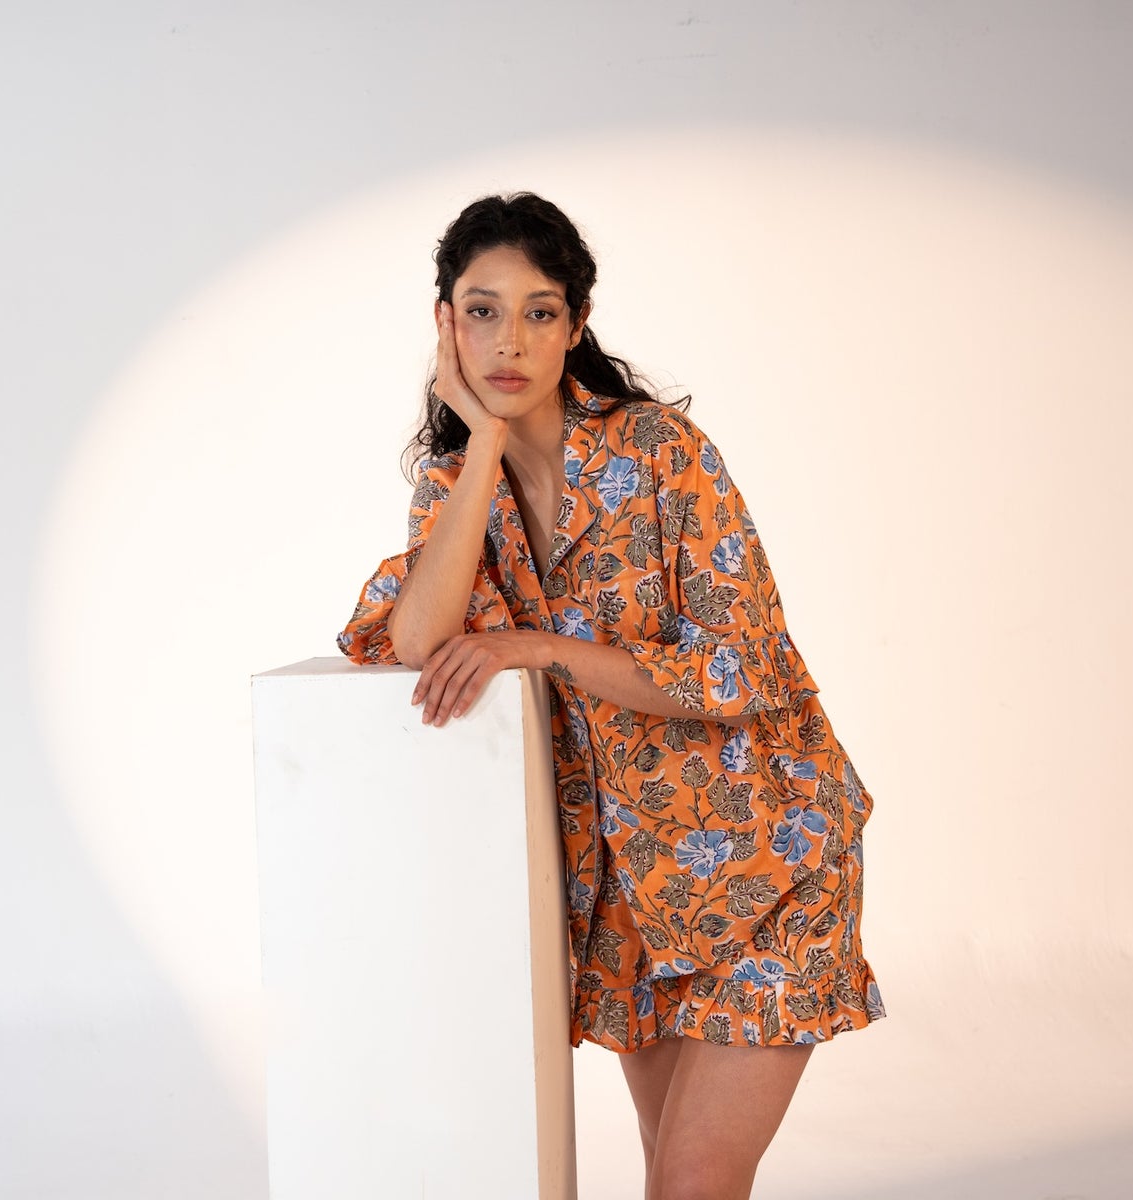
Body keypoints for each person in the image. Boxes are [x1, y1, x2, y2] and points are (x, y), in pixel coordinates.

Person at [336, 192, 884, 1200]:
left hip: (769, 861)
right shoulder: (457, 486)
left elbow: (739, 669)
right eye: (482, 311)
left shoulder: (661, 452)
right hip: (631, 899)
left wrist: (541, 646)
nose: (510, 341)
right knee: (670, 1177)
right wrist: (484, 444)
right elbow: (416, 640)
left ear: (576, 326)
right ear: (446, 324)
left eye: (539, 312)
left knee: (692, 1182)